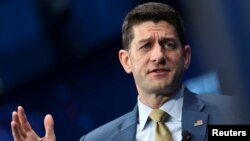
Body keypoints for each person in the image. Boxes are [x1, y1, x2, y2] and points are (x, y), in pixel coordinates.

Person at [10, 2, 247, 141]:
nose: (158, 56)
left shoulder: (235, 117)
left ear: (186, 57)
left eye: (168, 44)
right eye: (145, 46)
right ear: (126, 61)